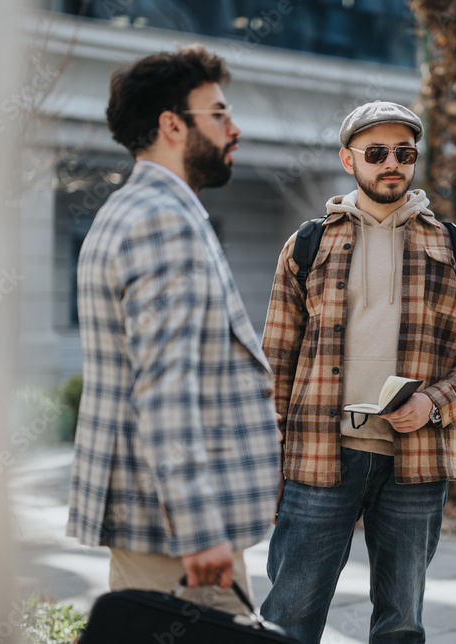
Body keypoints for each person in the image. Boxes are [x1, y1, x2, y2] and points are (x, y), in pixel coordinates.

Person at [260, 100, 456, 643]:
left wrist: (435, 401)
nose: (391, 163)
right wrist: (266, 451)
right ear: (350, 160)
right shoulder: (308, 244)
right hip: (320, 456)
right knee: (288, 616)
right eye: (376, 152)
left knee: (401, 623)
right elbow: (276, 356)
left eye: (404, 152)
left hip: (414, 463)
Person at [66, 45, 281, 613]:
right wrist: (199, 527)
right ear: (172, 125)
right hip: (175, 531)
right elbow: (164, 387)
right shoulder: (162, 221)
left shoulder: (127, 208)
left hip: (150, 517)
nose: (235, 129)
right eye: (219, 114)